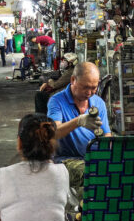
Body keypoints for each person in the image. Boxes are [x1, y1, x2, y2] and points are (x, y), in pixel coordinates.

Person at [46, 62, 112, 192]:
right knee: (90, 173)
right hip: (66, 160)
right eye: (85, 87)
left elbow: (107, 135)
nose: (89, 92)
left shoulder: (99, 103)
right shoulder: (57, 101)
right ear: (73, 80)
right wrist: (79, 121)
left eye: (94, 88)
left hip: (93, 158)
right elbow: (53, 133)